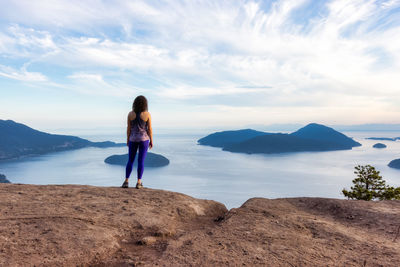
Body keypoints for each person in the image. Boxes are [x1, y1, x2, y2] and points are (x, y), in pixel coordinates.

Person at [121, 95, 153, 189]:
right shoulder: (147, 114)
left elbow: (128, 128)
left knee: (130, 160)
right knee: (141, 161)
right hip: (144, 140)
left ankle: (126, 181)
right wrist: (151, 140)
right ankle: (139, 182)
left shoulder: (130, 114)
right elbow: (150, 129)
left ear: (134, 103)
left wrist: (127, 139)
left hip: (133, 139)